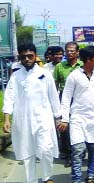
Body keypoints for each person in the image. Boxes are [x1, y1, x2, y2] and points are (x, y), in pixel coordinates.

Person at [2, 43, 61, 183]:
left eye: (30, 56)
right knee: (27, 152)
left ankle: (48, 177)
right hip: (23, 120)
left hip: (43, 119)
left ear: (35, 56)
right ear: (20, 58)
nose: (27, 59)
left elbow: (53, 96)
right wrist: (6, 119)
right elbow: (9, 97)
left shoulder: (44, 74)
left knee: (46, 148)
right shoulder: (16, 76)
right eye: (24, 57)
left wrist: (58, 117)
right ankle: (31, 180)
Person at [60, 46, 94, 183]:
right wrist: (65, 119)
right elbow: (66, 97)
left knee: (93, 149)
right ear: (88, 60)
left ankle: (90, 175)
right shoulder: (74, 76)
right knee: (78, 150)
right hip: (78, 118)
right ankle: (77, 179)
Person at [53, 41, 83, 168]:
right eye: (67, 51)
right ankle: (69, 154)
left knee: (80, 126)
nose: (69, 53)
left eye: (72, 51)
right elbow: (55, 85)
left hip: (80, 99)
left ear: (77, 52)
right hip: (64, 99)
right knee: (65, 127)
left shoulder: (82, 65)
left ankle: (80, 151)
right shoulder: (60, 66)